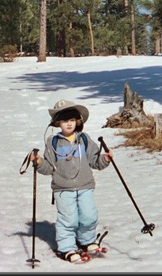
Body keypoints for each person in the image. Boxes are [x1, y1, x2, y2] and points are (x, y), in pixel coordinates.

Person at [30, 99, 113, 263]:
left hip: (85, 185)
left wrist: (105, 159)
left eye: (72, 120)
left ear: (77, 121)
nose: (69, 124)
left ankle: (86, 240)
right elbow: (48, 168)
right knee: (69, 219)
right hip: (63, 188)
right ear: (57, 123)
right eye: (65, 121)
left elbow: (95, 161)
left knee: (89, 216)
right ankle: (66, 247)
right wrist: (38, 162)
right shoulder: (52, 142)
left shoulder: (84, 140)